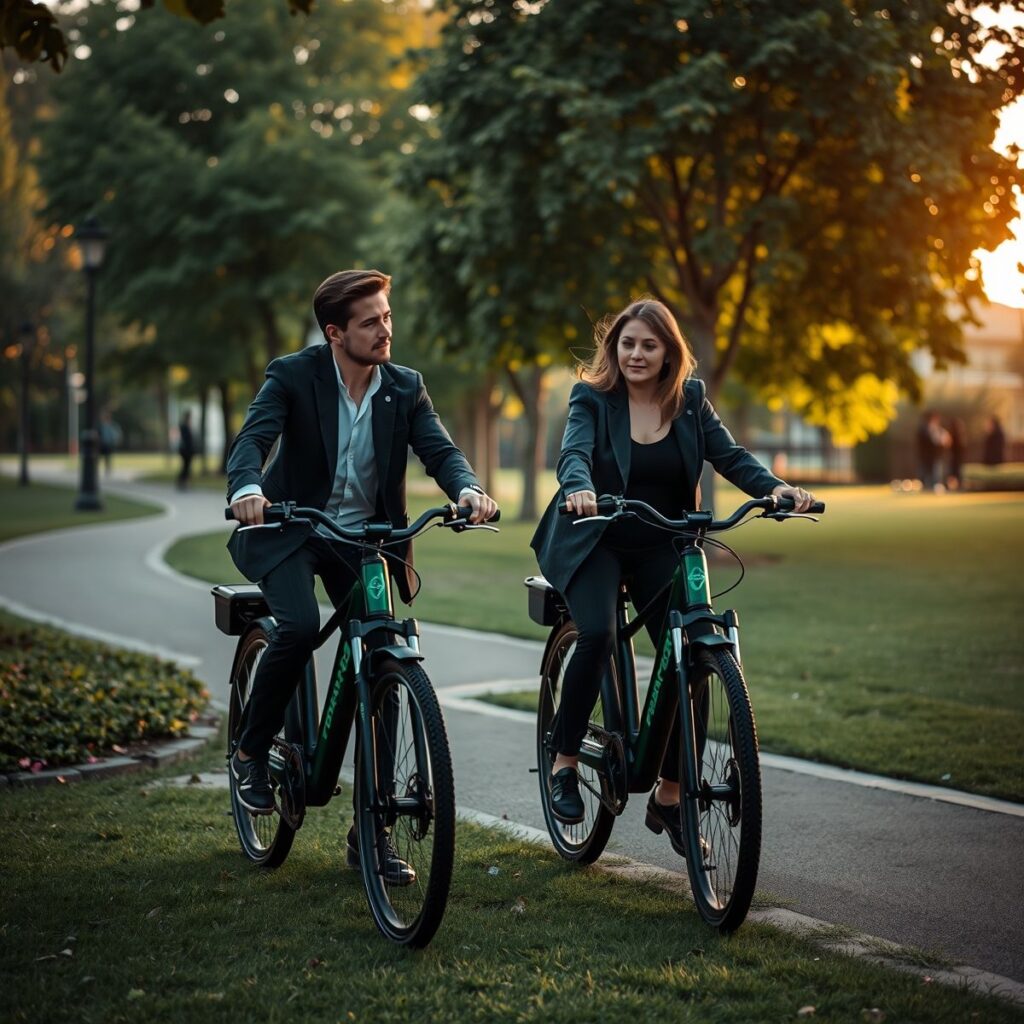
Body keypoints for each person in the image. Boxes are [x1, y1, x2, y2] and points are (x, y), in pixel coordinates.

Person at [225, 269, 496, 881]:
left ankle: (369, 835)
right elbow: (254, 439)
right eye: (371, 321)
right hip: (292, 529)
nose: (385, 330)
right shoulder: (293, 375)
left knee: (383, 650)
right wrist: (246, 486)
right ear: (335, 332)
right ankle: (249, 752)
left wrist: (468, 488)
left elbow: (440, 450)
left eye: (387, 317)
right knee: (296, 626)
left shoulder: (405, 387)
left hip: (365, 539)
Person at [530, 298, 813, 842]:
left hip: (663, 540)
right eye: (627, 343)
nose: (636, 354)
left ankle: (670, 793)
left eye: (648, 345)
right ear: (615, 349)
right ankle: (564, 759)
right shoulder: (592, 398)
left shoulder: (690, 402)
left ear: (668, 353)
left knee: (695, 650)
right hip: (596, 537)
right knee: (597, 633)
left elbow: (730, 456)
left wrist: (773, 488)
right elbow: (574, 454)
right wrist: (579, 488)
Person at [916, 410, 949, 492]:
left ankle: (935, 486)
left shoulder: (940, 430)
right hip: (926, 456)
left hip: (937, 455)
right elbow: (926, 442)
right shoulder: (923, 429)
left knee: (936, 472)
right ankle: (925, 486)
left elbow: (946, 440)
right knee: (925, 472)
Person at [98, 410, 121, 476]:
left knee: (107, 458)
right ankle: (99, 470)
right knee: (100, 458)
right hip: (101, 444)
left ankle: (107, 471)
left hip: (108, 444)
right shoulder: (101, 425)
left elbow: (116, 435)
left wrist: (115, 441)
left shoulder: (112, 425)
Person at [177, 410, 195, 490]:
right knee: (185, 467)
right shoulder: (184, 427)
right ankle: (182, 482)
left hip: (188, 450)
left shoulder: (187, 426)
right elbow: (186, 439)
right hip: (185, 450)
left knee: (187, 467)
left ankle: (184, 483)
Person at [946, 417, 965, 491]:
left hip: (954, 457)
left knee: (953, 472)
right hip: (958, 458)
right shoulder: (961, 436)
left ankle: (952, 487)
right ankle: (957, 486)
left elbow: (949, 446)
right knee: (957, 472)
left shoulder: (953, 436)